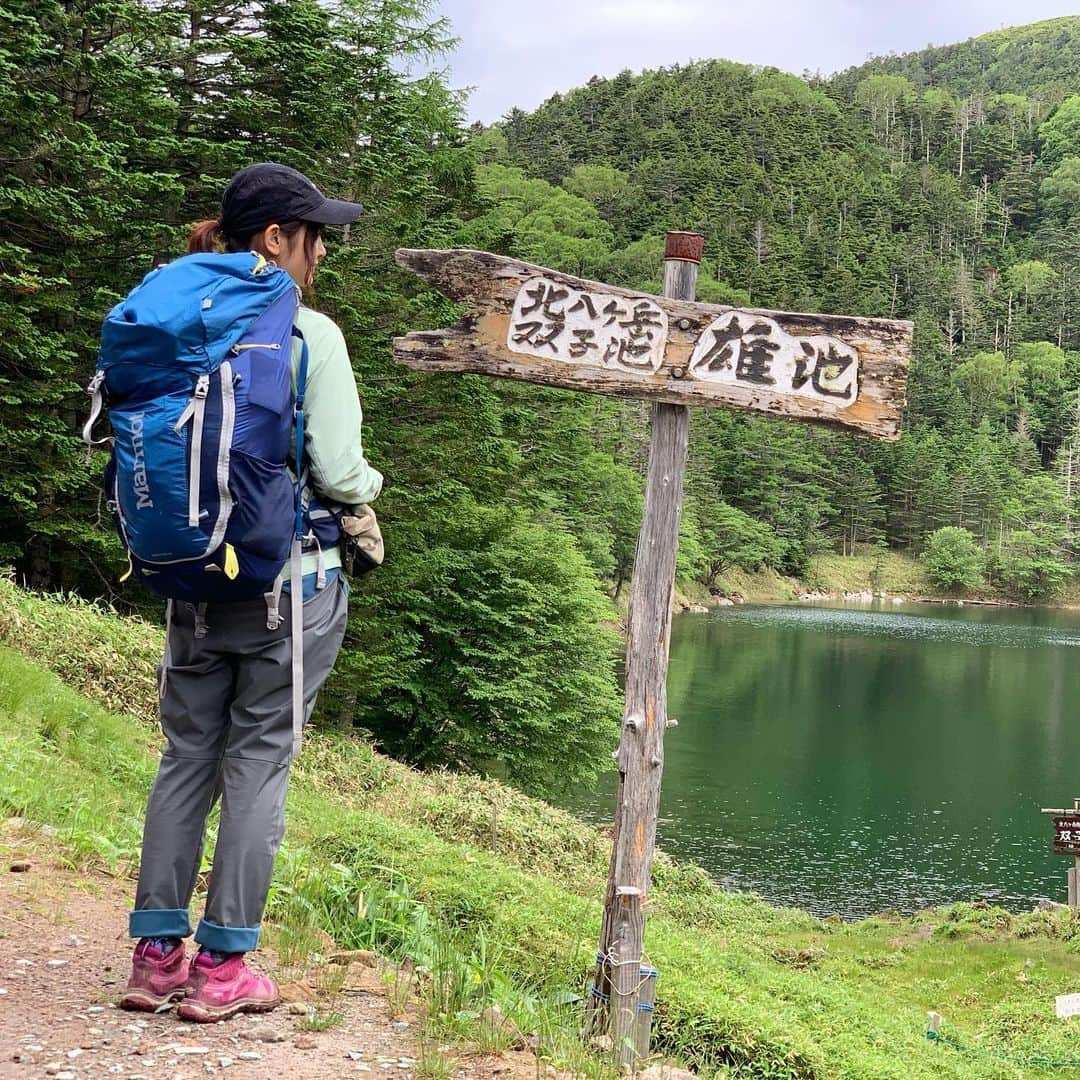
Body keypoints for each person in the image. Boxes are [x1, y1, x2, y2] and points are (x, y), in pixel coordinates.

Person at [119, 163, 383, 1022]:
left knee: (186, 755)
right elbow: (340, 470)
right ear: (275, 239)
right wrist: (371, 490)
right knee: (260, 758)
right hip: (289, 586)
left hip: (192, 578)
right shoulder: (310, 336)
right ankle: (226, 965)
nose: (321, 257)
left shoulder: (176, 328)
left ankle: (156, 956)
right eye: (315, 239)